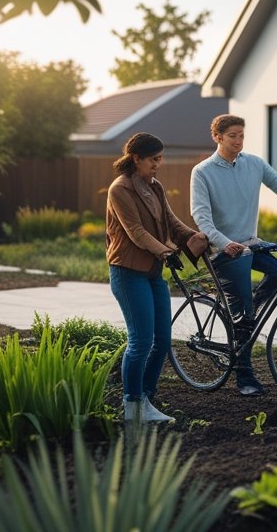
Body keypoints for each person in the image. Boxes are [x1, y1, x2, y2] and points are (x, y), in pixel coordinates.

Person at [191, 114, 277, 395]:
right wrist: (224, 242)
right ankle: (245, 377)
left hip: (251, 245)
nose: (239, 141)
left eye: (242, 135)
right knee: (246, 315)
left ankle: (246, 312)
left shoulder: (253, 164)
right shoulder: (202, 172)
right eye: (232, 136)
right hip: (224, 251)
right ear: (218, 137)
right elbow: (201, 217)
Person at [106, 132, 207, 424]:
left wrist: (192, 236)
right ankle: (132, 405)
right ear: (136, 158)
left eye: (161, 159)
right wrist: (165, 252)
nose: (158, 164)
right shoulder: (120, 189)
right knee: (140, 341)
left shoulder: (155, 185)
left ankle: (146, 400)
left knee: (161, 340)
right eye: (154, 159)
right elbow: (135, 231)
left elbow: (170, 220)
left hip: (151, 273)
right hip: (127, 273)